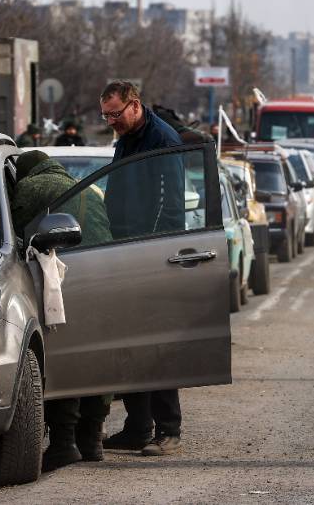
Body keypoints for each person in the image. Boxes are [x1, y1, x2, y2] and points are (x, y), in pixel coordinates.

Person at [9, 150, 113, 471]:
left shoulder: (31, 187)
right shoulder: (86, 187)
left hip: (67, 277)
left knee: (63, 354)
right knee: (95, 355)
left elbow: (12, 232)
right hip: (105, 274)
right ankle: (92, 440)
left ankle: (64, 443)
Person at [98, 81, 186, 457]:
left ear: (134, 105)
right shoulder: (126, 140)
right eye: (105, 116)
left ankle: (168, 429)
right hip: (124, 254)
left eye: (115, 114)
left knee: (156, 346)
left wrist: (154, 253)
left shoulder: (161, 140)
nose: (111, 122)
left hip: (150, 256)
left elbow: (171, 206)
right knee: (130, 346)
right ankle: (137, 427)